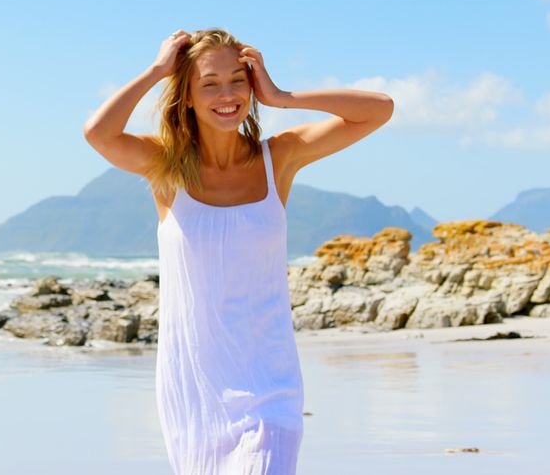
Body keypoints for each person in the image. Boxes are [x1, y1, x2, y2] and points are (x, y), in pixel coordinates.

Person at [82, 28, 393, 474]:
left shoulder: (279, 158)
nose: (227, 94)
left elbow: (380, 110)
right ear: (186, 95)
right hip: (196, 389)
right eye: (209, 83)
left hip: (271, 386)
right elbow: (98, 133)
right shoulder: (164, 165)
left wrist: (280, 95)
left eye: (238, 79)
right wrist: (156, 70)